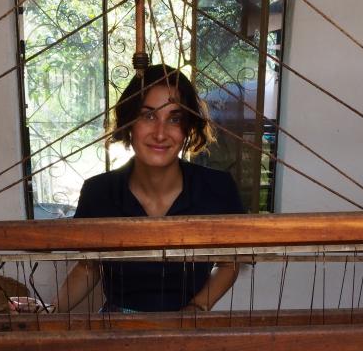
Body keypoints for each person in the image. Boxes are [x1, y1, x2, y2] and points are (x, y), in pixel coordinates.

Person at [56, 64, 245, 313]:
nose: (160, 133)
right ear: (129, 123)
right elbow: (89, 267)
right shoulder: (98, 192)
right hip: (118, 333)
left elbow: (229, 263)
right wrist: (50, 312)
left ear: (188, 128)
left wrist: (198, 308)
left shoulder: (218, 188)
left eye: (174, 119)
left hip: (188, 329)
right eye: (148, 116)